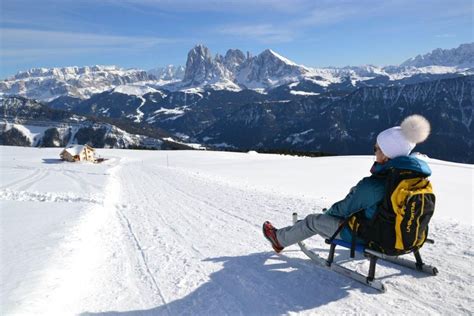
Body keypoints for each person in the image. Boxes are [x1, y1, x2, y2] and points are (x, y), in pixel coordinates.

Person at [263, 114, 432, 253]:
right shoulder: (413, 178)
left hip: (372, 238)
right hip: (408, 238)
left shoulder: (375, 184)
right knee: (359, 196)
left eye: (377, 149)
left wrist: (329, 214)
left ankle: (278, 239)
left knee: (311, 221)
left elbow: (345, 208)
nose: (374, 152)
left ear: (387, 156)